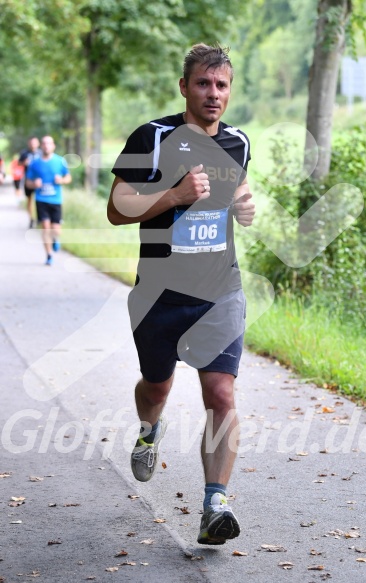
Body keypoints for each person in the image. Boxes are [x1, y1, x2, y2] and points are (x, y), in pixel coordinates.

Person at [107, 44, 255, 545]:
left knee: (221, 392)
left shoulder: (238, 143)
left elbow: (231, 195)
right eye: (203, 84)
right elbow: (117, 207)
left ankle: (216, 502)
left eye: (222, 85)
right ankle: (150, 431)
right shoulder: (153, 137)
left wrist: (241, 204)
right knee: (157, 387)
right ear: (184, 87)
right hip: (159, 295)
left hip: (220, 291)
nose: (213, 94)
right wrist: (172, 196)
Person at [26, 135, 72, 265]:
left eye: (49, 143)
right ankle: (49, 255)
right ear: (41, 146)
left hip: (56, 200)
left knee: (56, 230)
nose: (46, 146)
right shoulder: (35, 163)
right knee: (45, 228)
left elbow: (68, 178)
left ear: (53, 146)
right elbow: (28, 183)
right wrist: (34, 184)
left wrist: (61, 180)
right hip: (41, 199)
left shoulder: (60, 161)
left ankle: (55, 239)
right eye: (44, 143)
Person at [19, 136, 41, 228]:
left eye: (34, 143)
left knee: (40, 200)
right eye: (31, 143)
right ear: (29, 144)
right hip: (28, 179)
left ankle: (40, 218)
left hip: (39, 180)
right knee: (29, 200)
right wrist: (24, 163)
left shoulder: (41, 153)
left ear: (38, 143)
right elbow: (19, 163)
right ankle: (31, 219)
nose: (33, 145)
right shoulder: (24, 153)